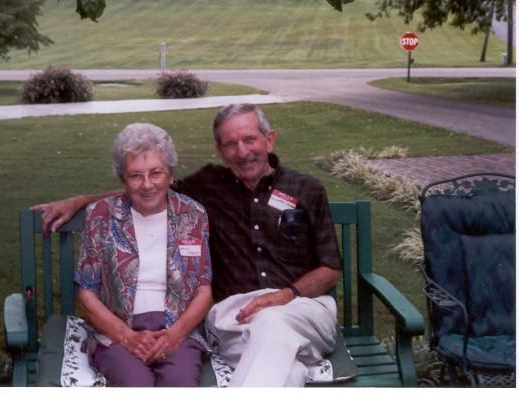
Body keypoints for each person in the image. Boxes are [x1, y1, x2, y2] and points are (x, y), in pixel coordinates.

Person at [32, 104, 342, 387]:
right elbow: (147, 187)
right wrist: (80, 202)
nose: (242, 151)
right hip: (237, 319)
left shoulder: (308, 189)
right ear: (220, 151)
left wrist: (284, 296)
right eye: (230, 144)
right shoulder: (209, 185)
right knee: (288, 369)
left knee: (273, 322)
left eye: (250, 139)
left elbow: (330, 267)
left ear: (269, 140)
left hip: (303, 308)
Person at [74, 123, 212, 387]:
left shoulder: (193, 215)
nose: (147, 185)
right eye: (135, 175)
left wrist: (174, 335)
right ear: (123, 179)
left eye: (156, 173)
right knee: (134, 383)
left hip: (177, 329)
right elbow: (87, 294)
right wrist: (126, 336)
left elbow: (203, 290)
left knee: (180, 383)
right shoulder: (101, 215)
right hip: (116, 328)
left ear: (170, 174)